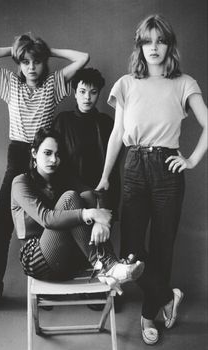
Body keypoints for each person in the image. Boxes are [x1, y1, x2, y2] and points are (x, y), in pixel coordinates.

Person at [96, 14, 207, 344]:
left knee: (161, 248)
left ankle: (148, 317)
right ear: (139, 46)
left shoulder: (184, 82)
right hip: (132, 166)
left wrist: (191, 159)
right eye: (148, 41)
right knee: (130, 249)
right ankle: (167, 296)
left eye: (161, 41)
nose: (154, 47)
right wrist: (104, 176)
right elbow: (117, 133)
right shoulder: (126, 83)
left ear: (169, 46)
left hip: (166, 170)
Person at [0, 34, 89, 315]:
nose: (31, 67)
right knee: (1, 229)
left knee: (61, 215)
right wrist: (13, 50)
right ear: (19, 64)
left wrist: (49, 50)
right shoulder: (10, 83)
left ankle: (58, 281)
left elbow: (83, 57)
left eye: (37, 61)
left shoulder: (53, 84)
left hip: (47, 158)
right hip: (18, 157)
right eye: (25, 62)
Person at [10, 127, 145, 295]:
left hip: (69, 261)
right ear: (34, 153)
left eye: (58, 155)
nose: (53, 160)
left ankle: (108, 267)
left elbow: (95, 195)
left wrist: (100, 224)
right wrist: (91, 214)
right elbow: (47, 218)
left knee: (86, 197)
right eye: (47, 153)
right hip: (36, 259)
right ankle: (109, 266)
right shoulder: (20, 182)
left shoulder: (62, 177)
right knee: (70, 198)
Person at [53, 68, 120, 215]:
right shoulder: (63, 121)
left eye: (93, 92)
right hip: (70, 195)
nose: (87, 97)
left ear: (99, 94)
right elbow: (57, 164)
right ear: (75, 93)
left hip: (101, 194)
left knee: (99, 237)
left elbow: (114, 167)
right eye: (82, 91)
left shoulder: (106, 123)